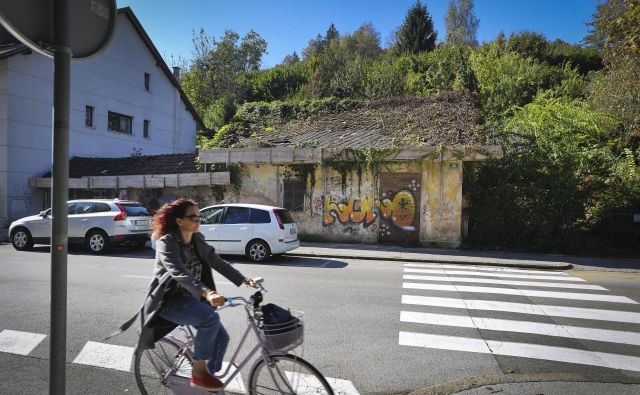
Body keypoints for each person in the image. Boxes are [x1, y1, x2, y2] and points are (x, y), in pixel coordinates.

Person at [110, 198, 257, 391]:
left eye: (199, 216)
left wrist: (245, 279)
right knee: (209, 319)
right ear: (179, 220)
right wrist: (208, 292)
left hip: (190, 299)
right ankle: (199, 373)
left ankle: (209, 385)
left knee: (222, 339)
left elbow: (217, 261)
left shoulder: (197, 239)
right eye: (193, 217)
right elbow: (179, 273)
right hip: (168, 300)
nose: (198, 220)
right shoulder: (166, 243)